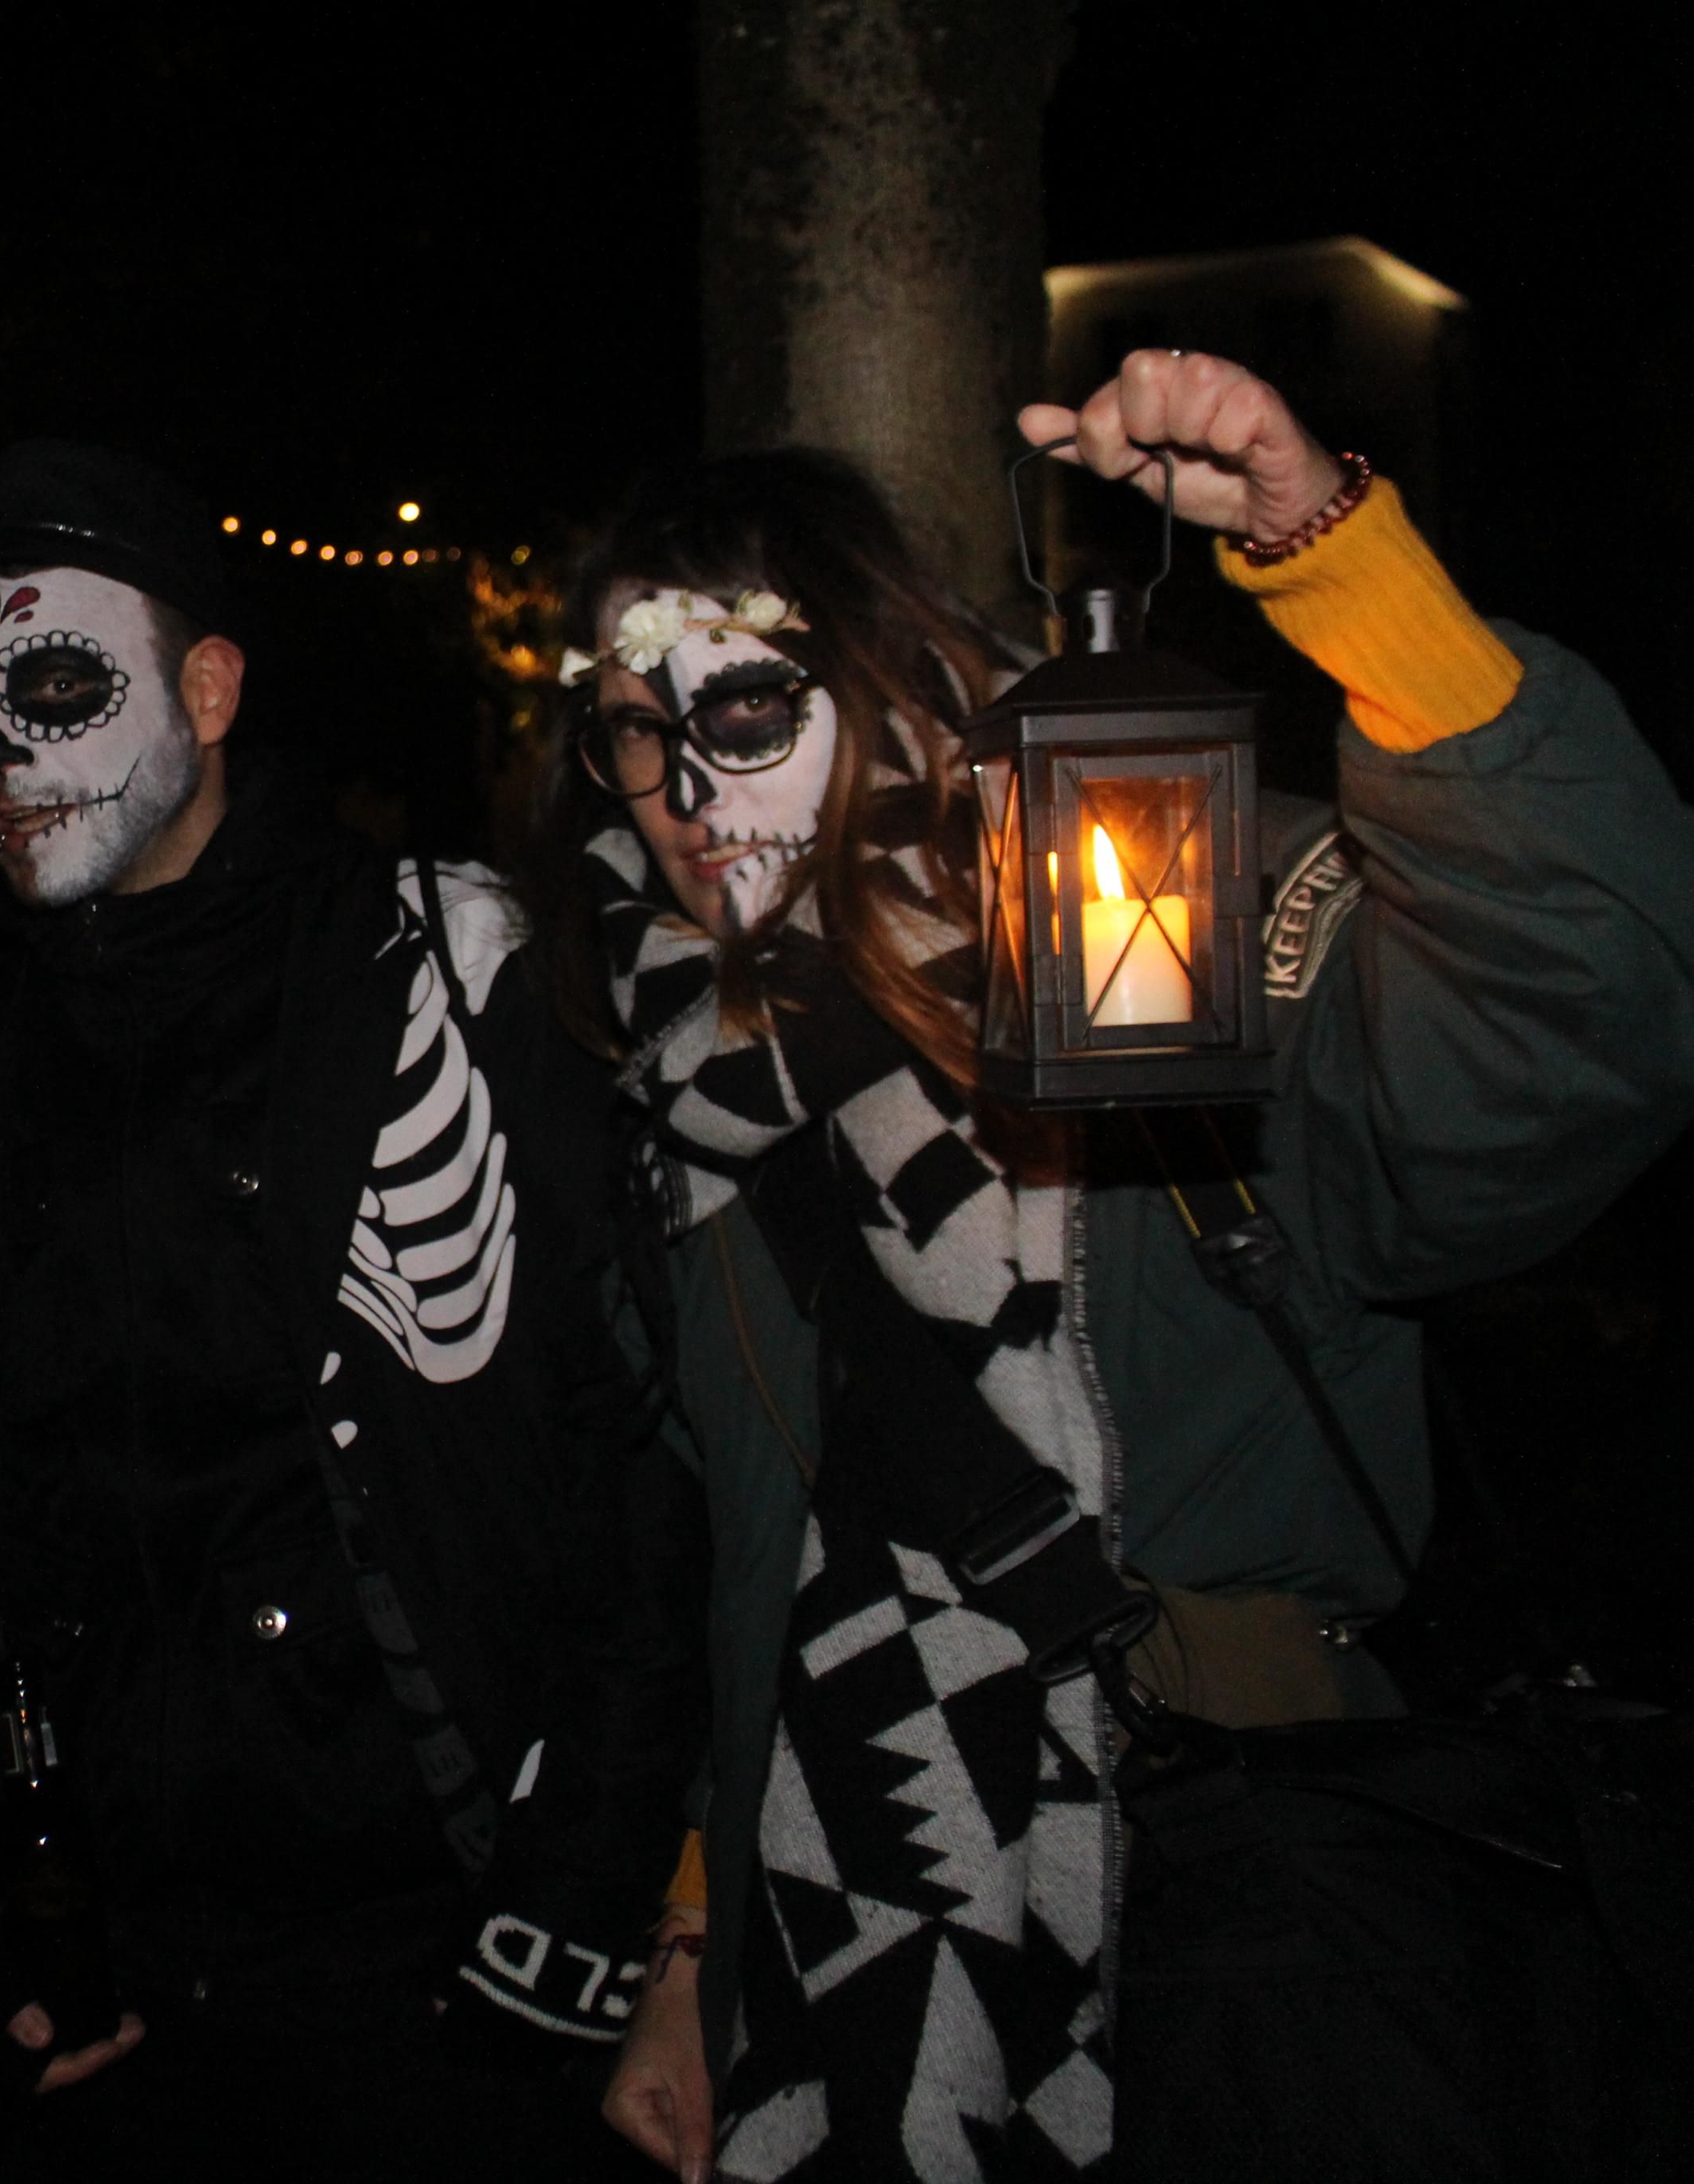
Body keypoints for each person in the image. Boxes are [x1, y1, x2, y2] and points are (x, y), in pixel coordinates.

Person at [545, 353, 1694, 2182]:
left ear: (895, 681)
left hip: (1237, 1889)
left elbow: (1576, 1034)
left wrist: (1344, 572)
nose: (678, 786)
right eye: (626, 727)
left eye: (745, 702)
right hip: (826, 1930)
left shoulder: (1139, 892)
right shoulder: (676, 1083)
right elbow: (736, 1559)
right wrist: (691, 1941)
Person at [0, 441, 709, 2180]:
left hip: (443, 1975)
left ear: (208, 688)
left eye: (50, 687)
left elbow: (642, 1468)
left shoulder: (455, 966)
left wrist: (571, 1919)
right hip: (117, 1997)